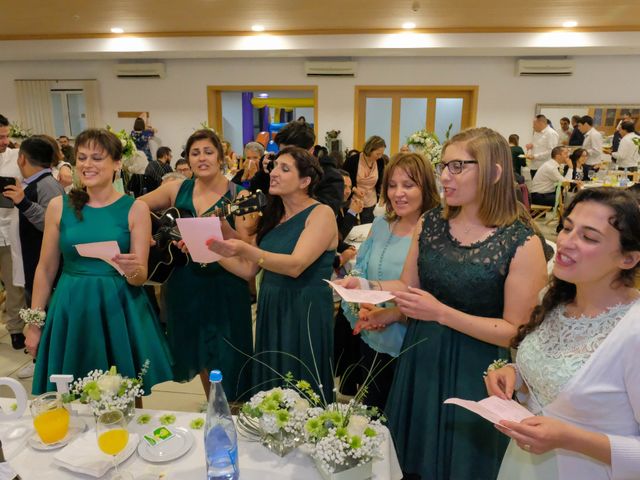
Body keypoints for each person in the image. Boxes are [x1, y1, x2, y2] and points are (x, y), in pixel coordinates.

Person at [341, 127, 548, 479]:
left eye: (457, 167)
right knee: (411, 459)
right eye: (443, 167)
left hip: (476, 366)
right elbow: (408, 286)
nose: (445, 177)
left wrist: (440, 313)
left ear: (494, 172)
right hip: (421, 356)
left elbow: (516, 332)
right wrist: (364, 283)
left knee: (461, 463)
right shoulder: (431, 222)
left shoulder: (521, 242)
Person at [486, 187, 640, 480]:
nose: (567, 242)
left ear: (628, 259)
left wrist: (570, 438)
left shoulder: (633, 331)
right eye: (567, 228)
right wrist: (516, 375)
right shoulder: (553, 298)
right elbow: (563, 375)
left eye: (589, 237)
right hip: (524, 466)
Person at [25, 128, 173, 395]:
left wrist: (132, 270)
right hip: (72, 305)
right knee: (69, 392)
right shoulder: (60, 207)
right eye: (81, 158)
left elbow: (140, 276)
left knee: (126, 392)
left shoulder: (135, 208)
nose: (87, 165)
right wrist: (34, 322)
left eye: (96, 158)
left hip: (119, 304)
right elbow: (45, 269)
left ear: (117, 164)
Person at [207, 147, 338, 401]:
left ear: (305, 181)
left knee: (303, 383)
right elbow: (248, 269)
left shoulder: (321, 213)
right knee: (273, 382)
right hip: (272, 305)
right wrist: (211, 247)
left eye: (284, 169)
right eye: (275, 166)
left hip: (305, 309)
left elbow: (295, 265)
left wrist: (243, 246)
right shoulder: (274, 214)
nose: (274, 173)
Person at [140, 129, 254, 400]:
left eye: (208, 152)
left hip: (224, 286)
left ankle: (233, 411)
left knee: (228, 355)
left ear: (221, 158)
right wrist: (144, 232)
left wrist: (225, 231)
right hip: (185, 283)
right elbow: (133, 207)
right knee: (198, 352)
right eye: (195, 153)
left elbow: (248, 251)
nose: (202, 158)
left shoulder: (239, 197)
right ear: (188, 160)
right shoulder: (176, 188)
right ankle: (212, 404)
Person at [337, 152, 440, 412]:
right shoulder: (382, 223)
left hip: (408, 343)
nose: (398, 193)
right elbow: (361, 268)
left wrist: (393, 313)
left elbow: (434, 295)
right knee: (372, 413)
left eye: (408, 185)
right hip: (372, 337)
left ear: (425, 187)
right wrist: (361, 306)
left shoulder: (434, 232)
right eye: (392, 185)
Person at [0, 114, 26, 350]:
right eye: (0, 137)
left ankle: (16, 328)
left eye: (6, 135)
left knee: (13, 282)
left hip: (8, 227)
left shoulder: (16, 158)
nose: (4, 140)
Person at [343, 136, 386, 224]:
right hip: (354, 199)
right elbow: (343, 179)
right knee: (350, 226)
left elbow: (380, 181)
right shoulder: (353, 160)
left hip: (371, 200)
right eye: (377, 154)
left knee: (367, 226)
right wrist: (354, 190)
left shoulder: (380, 162)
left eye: (381, 154)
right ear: (370, 149)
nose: (379, 156)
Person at [525, 114, 559, 180]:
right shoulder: (536, 133)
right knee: (535, 187)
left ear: (541, 123)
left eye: (534, 124)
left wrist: (535, 156)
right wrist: (531, 145)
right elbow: (537, 145)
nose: (533, 126)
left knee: (542, 188)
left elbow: (551, 151)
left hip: (544, 167)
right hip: (534, 166)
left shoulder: (551, 133)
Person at [578, 115, 603, 181]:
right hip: (587, 164)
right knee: (584, 184)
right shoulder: (588, 134)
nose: (578, 128)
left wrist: (582, 151)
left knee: (590, 185)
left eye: (579, 126)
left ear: (586, 124)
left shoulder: (594, 134)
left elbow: (597, 151)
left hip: (591, 166)